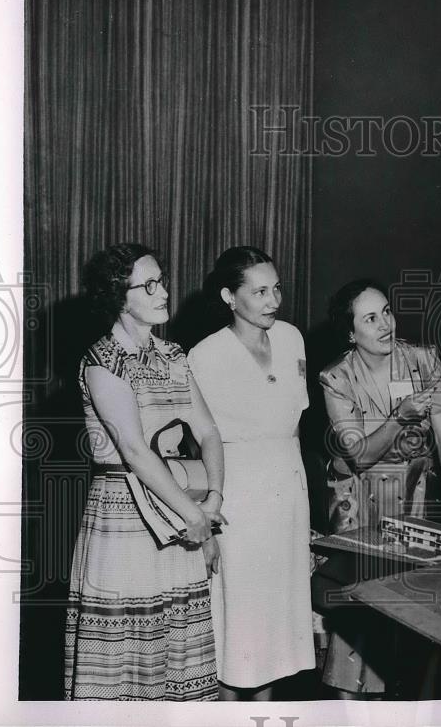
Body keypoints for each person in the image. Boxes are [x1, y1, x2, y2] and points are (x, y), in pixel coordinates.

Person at [65, 243, 226, 701]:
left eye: (162, 281)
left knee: (178, 652)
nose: (164, 292)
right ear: (119, 296)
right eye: (149, 285)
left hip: (178, 509)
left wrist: (212, 501)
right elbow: (134, 451)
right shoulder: (103, 361)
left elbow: (210, 432)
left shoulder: (174, 354)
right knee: (126, 659)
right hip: (124, 517)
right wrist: (195, 518)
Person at [319, 278, 441, 697]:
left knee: (405, 602)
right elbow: (360, 457)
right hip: (357, 497)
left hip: (411, 495)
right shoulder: (335, 377)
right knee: (360, 607)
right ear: (351, 333)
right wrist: (400, 417)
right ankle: (347, 706)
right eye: (370, 317)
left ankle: (393, 700)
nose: (386, 323)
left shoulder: (424, 361)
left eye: (387, 311)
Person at [188, 246, 315, 701]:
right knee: (239, 625)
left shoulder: (292, 339)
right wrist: (207, 525)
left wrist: (300, 495)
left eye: (276, 288)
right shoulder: (204, 356)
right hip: (237, 500)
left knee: (276, 629)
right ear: (228, 296)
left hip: (287, 493)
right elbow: (199, 445)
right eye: (258, 291)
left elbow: (295, 422)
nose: (272, 300)